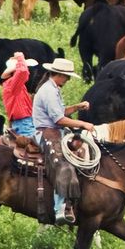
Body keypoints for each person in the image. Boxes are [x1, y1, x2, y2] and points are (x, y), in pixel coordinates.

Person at [32, 58, 94, 225]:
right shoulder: (49, 91)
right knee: (62, 164)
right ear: (58, 75)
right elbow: (59, 119)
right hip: (46, 132)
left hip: (54, 131)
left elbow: (60, 112)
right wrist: (82, 123)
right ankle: (60, 208)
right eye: (66, 77)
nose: (67, 80)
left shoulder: (53, 89)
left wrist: (77, 107)